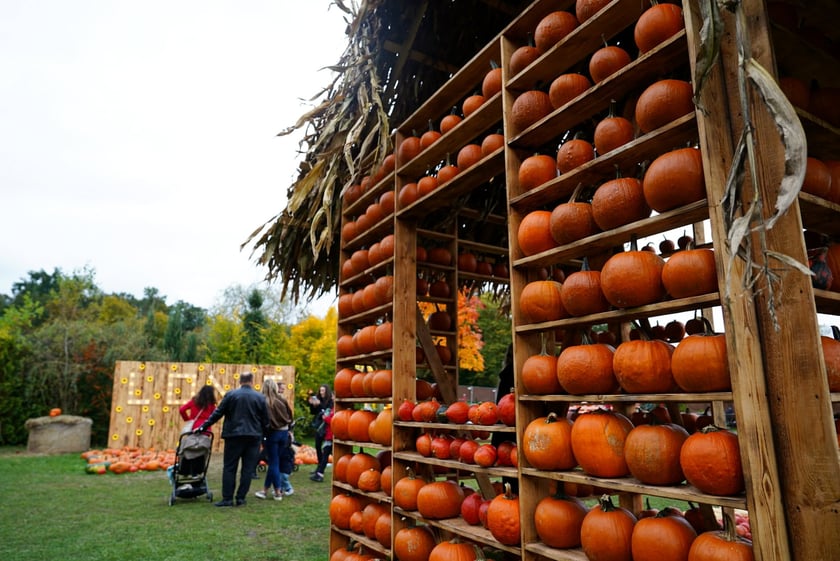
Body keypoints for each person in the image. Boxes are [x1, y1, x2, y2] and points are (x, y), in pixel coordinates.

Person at [194, 372, 269, 507]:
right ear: (252, 381)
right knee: (248, 469)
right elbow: (265, 419)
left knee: (229, 467)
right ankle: (241, 498)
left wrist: (203, 426)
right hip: (253, 437)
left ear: (240, 381)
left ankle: (227, 498)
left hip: (233, 436)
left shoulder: (231, 395)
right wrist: (264, 434)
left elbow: (218, 413)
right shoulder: (260, 397)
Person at [254, 378, 293, 501]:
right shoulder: (282, 399)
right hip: (284, 432)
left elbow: (262, 420)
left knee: (274, 463)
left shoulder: (263, 402)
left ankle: (278, 491)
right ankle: (264, 490)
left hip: (272, 434)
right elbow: (290, 415)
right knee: (274, 463)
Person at [307, 384, 334, 471]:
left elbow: (327, 411)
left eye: (323, 391)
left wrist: (319, 405)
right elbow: (313, 412)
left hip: (326, 426)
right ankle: (320, 465)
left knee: (327, 448)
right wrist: (312, 405)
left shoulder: (330, 401)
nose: (321, 392)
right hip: (319, 426)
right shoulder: (318, 399)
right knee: (318, 445)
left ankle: (322, 467)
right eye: (320, 390)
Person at [309, 407, 332, 482]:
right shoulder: (333, 408)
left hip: (331, 436)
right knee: (325, 454)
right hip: (329, 435)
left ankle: (319, 474)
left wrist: (325, 418)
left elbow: (334, 421)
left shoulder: (336, 409)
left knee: (325, 455)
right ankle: (319, 473)